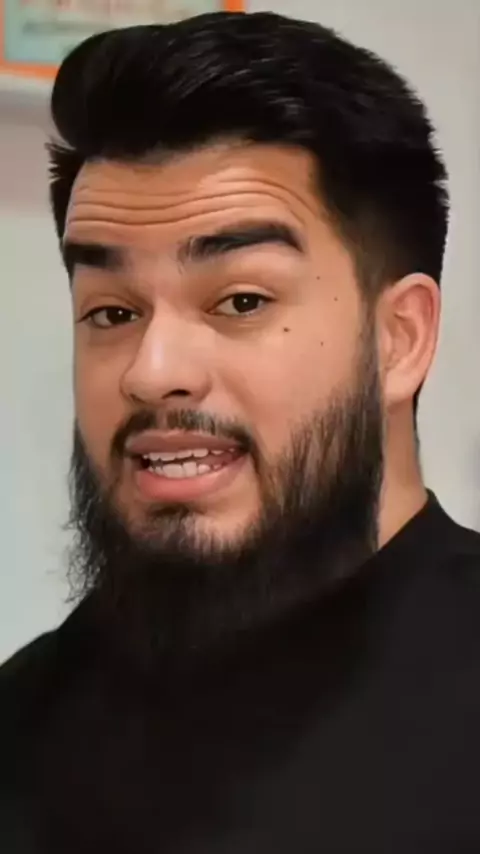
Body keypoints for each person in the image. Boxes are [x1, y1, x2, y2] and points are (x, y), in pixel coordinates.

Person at [1, 9, 480, 853]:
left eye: (240, 301)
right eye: (111, 312)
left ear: (399, 339)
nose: (151, 371)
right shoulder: (21, 723)